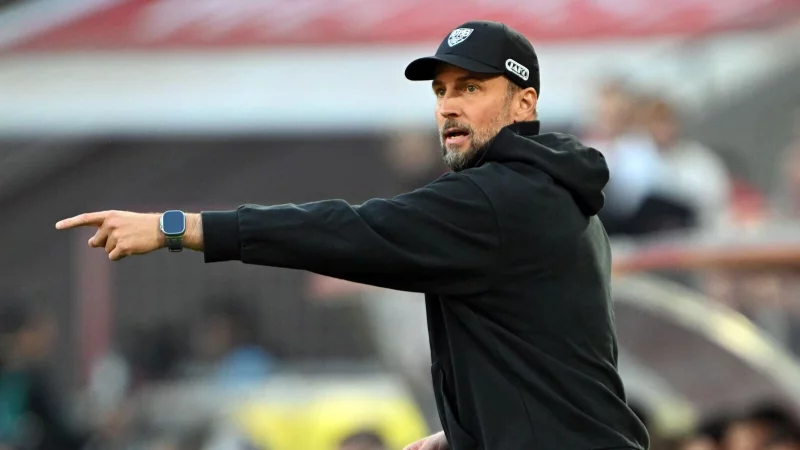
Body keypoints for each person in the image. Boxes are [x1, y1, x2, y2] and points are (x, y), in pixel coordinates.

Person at [55, 20, 649, 450]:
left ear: (524, 104)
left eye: (471, 88)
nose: (447, 106)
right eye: (440, 90)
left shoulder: (497, 199)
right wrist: (474, 428)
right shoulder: (563, 201)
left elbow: (346, 230)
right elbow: (555, 355)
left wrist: (178, 228)